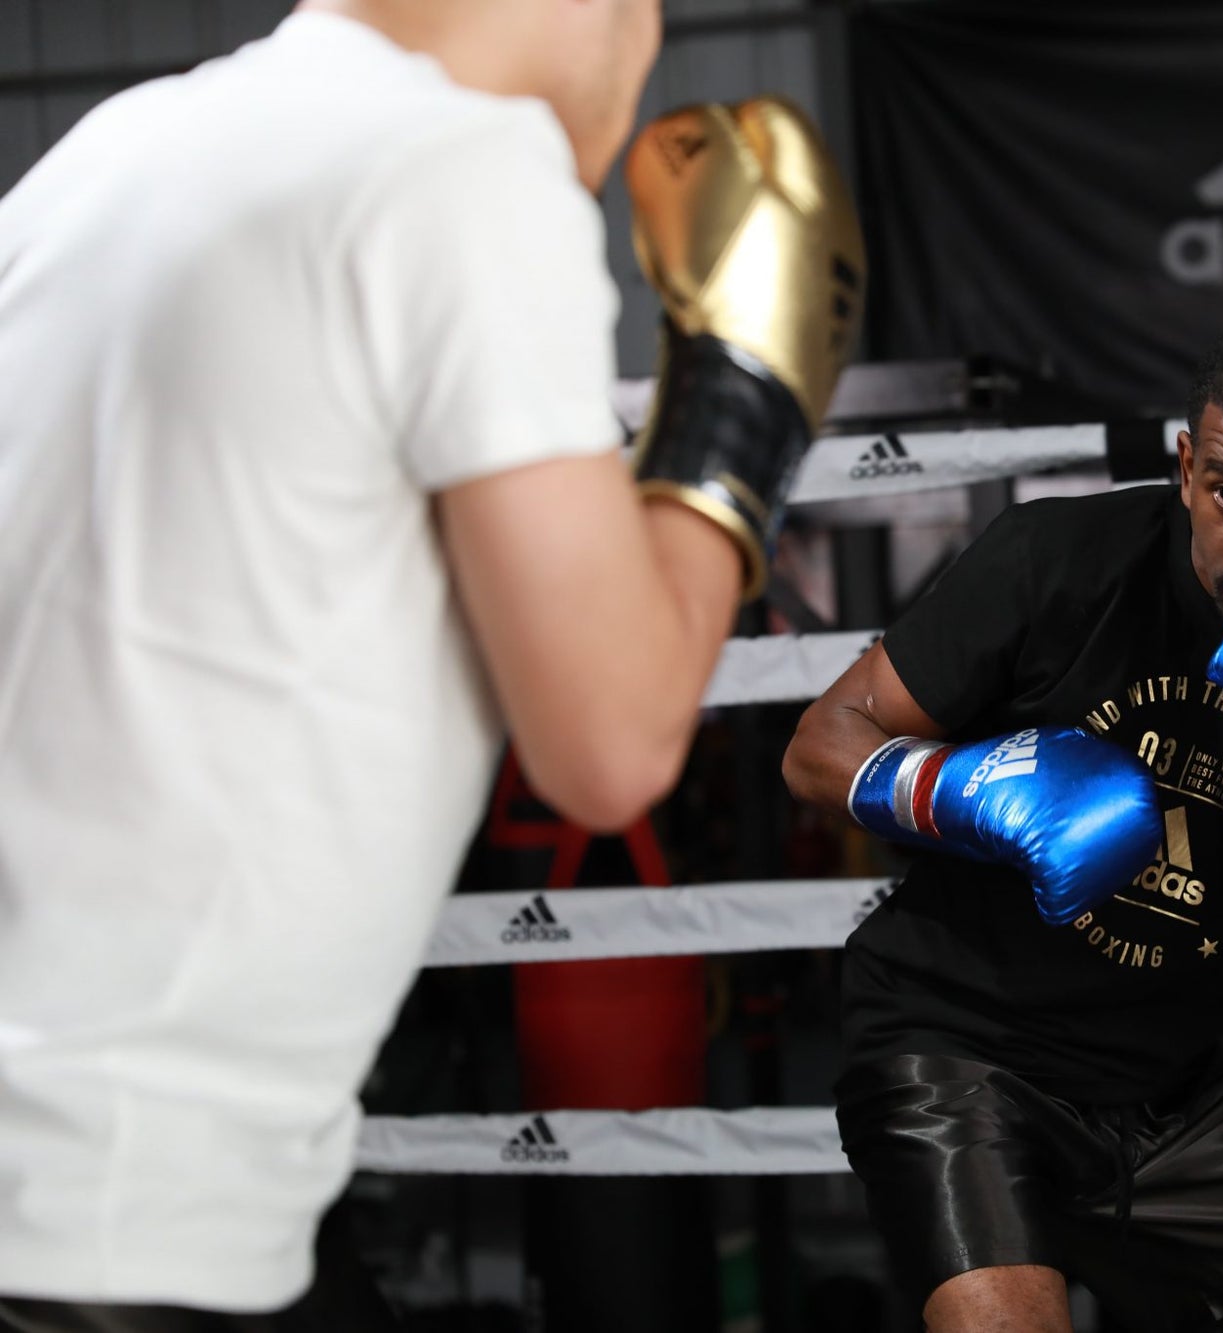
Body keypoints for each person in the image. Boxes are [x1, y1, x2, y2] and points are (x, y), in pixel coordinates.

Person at [0, 0, 863, 1326]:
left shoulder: (100, 163)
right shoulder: (460, 169)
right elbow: (612, 742)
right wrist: (745, 392)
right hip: (121, 1204)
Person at [785, 312, 1223, 1332]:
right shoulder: (1058, 560)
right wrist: (963, 787)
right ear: (1187, 468)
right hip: (959, 1058)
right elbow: (819, 744)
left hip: (1178, 1097)